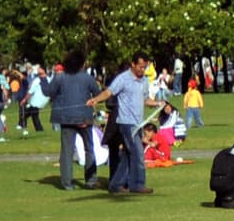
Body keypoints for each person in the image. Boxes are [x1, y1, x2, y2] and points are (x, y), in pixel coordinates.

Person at [87, 53, 162, 195]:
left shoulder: (144, 81)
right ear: (133, 64)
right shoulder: (123, 79)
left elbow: (146, 100)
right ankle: (138, 185)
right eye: (140, 67)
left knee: (128, 155)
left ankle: (115, 184)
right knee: (138, 154)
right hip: (126, 123)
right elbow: (109, 92)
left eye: (145, 67)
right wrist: (96, 99)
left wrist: (158, 103)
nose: (142, 70)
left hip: (138, 123)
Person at [40, 50, 101, 190]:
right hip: (85, 117)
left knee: (67, 151)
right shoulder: (87, 78)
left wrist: (43, 78)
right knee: (89, 149)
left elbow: (48, 92)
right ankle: (91, 180)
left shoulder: (60, 77)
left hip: (65, 118)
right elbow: (98, 94)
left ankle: (67, 183)